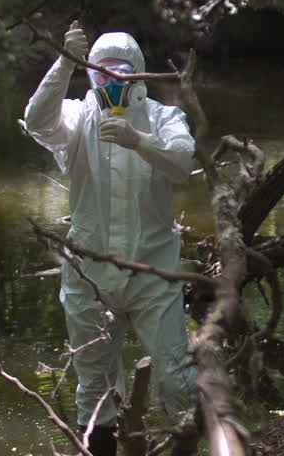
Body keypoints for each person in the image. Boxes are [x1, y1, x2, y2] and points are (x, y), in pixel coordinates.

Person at [22, 23, 197, 455]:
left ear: (138, 73)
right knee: (95, 386)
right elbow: (37, 121)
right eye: (101, 72)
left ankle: (194, 445)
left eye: (122, 70)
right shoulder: (78, 117)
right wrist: (64, 62)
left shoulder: (162, 117)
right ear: (90, 75)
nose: (112, 80)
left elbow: (181, 163)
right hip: (90, 272)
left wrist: (140, 142)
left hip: (153, 270)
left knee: (176, 377)